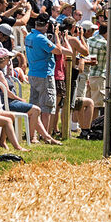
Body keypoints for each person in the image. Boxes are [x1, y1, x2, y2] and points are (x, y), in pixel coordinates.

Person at [23, 15, 68, 144]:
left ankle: (33, 136)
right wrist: (57, 35)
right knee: (47, 107)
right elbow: (58, 50)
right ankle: (46, 136)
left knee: (34, 107)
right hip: (44, 75)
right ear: (47, 25)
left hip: (33, 73)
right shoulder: (41, 39)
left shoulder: (29, 36)